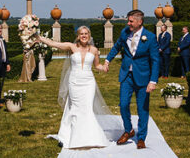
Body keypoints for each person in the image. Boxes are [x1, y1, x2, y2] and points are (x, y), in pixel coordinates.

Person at [39, 26, 110, 148]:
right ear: (78, 36)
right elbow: (53, 43)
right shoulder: (71, 47)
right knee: (76, 108)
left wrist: (103, 68)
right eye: (81, 34)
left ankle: (90, 137)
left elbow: (97, 65)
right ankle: (72, 137)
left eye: (86, 33)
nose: (84, 36)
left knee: (87, 108)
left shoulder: (94, 50)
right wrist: (38, 37)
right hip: (75, 82)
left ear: (89, 35)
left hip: (88, 83)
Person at [100, 9, 160, 149]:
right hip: (126, 75)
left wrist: (153, 81)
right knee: (123, 104)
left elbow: (155, 60)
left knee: (142, 109)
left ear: (140, 22)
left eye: (131, 21)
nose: (128, 23)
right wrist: (107, 61)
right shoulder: (124, 32)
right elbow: (116, 47)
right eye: (128, 20)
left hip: (143, 77)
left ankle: (141, 138)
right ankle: (129, 130)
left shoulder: (150, 37)